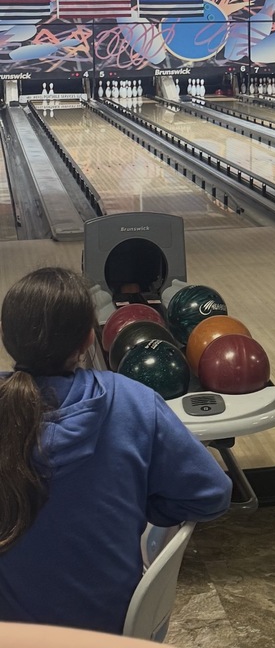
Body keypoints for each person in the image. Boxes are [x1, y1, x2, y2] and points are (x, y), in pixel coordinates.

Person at [0, 267, 232, 633]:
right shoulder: (132, 400)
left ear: (7, 339)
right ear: (88, 339)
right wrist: (140, 502)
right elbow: (213, 495)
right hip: (115, 628)